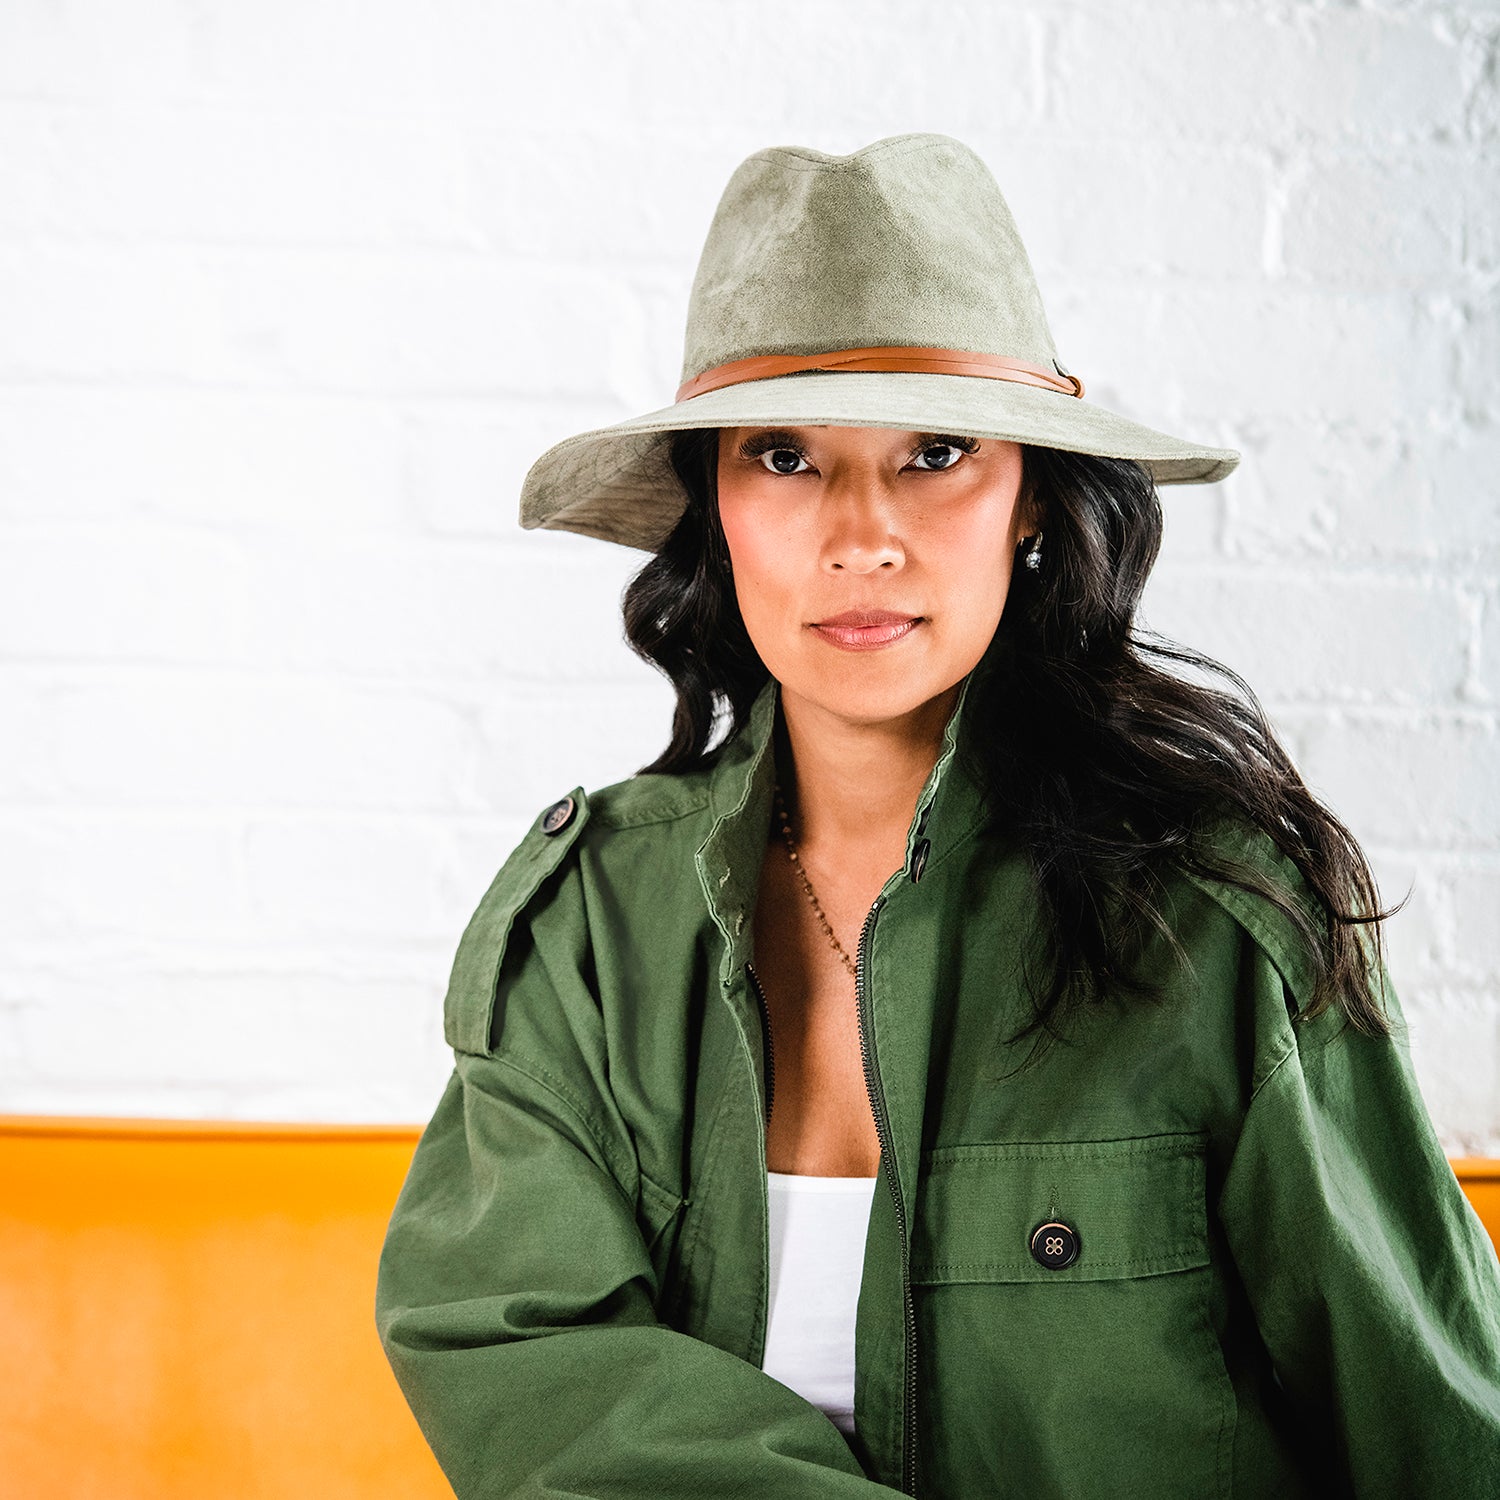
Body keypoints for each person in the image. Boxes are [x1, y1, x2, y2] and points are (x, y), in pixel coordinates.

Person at [375, 133, 1500, 1498]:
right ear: (715, 506)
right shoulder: (593, 930)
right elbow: (505, 1337)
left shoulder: (1219, 925)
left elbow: (1438, 1425)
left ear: (1031, 500)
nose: (863, 536)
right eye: (784, 455)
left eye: (936, 452)